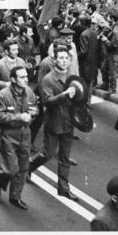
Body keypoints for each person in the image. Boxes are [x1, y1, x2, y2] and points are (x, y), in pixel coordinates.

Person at [29, 46, 79, 201]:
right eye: (61, 58)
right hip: (54, 121)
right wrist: (64, 95)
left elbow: (79, 97)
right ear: (55, 59)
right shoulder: (48, 79)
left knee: (65, 156)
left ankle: (63, 188)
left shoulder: (72, 76)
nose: (64, 61)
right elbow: (48, 101)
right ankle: (27, 167)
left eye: (66, 58)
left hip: (69, 121)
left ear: (70, 60)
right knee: (47, 154)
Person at [0, 66, 37, 210]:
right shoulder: (3, 95)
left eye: (26, 76)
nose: (26, 79)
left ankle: (15, 197)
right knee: (11, 169)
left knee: (23, 168)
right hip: (9, 135)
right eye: (22, 77)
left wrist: (33, 114)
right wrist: (19, 116)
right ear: (13, 79)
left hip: (25, 133)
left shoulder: (29, 92)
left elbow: (34, 108)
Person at [0, 39, 27, 110]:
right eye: (13, 50)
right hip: (6, 98)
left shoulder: (21, 62)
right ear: (6, 51)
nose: (16, 52)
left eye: (17, 49)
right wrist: (5, 84)